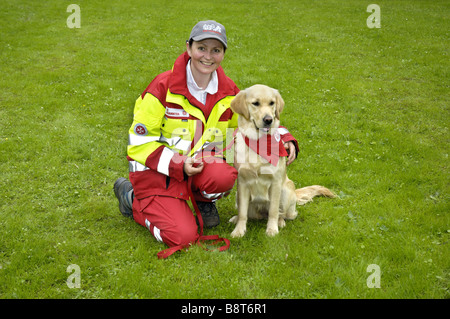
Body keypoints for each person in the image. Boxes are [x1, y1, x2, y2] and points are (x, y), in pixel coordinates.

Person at [114, 20, 299, 252]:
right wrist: (178, 164)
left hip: (197, 168)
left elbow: (250, 121)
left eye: (216, 50)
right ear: (189, 48)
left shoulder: (229, 92)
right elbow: (139, 144)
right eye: (202, 48)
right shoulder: (162, 88)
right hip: (158, 175)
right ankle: (132, 200)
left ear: (223, 54)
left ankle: (202, 201)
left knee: (225, 174)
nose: (208, 56)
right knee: (182, 237)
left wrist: (284, 137)